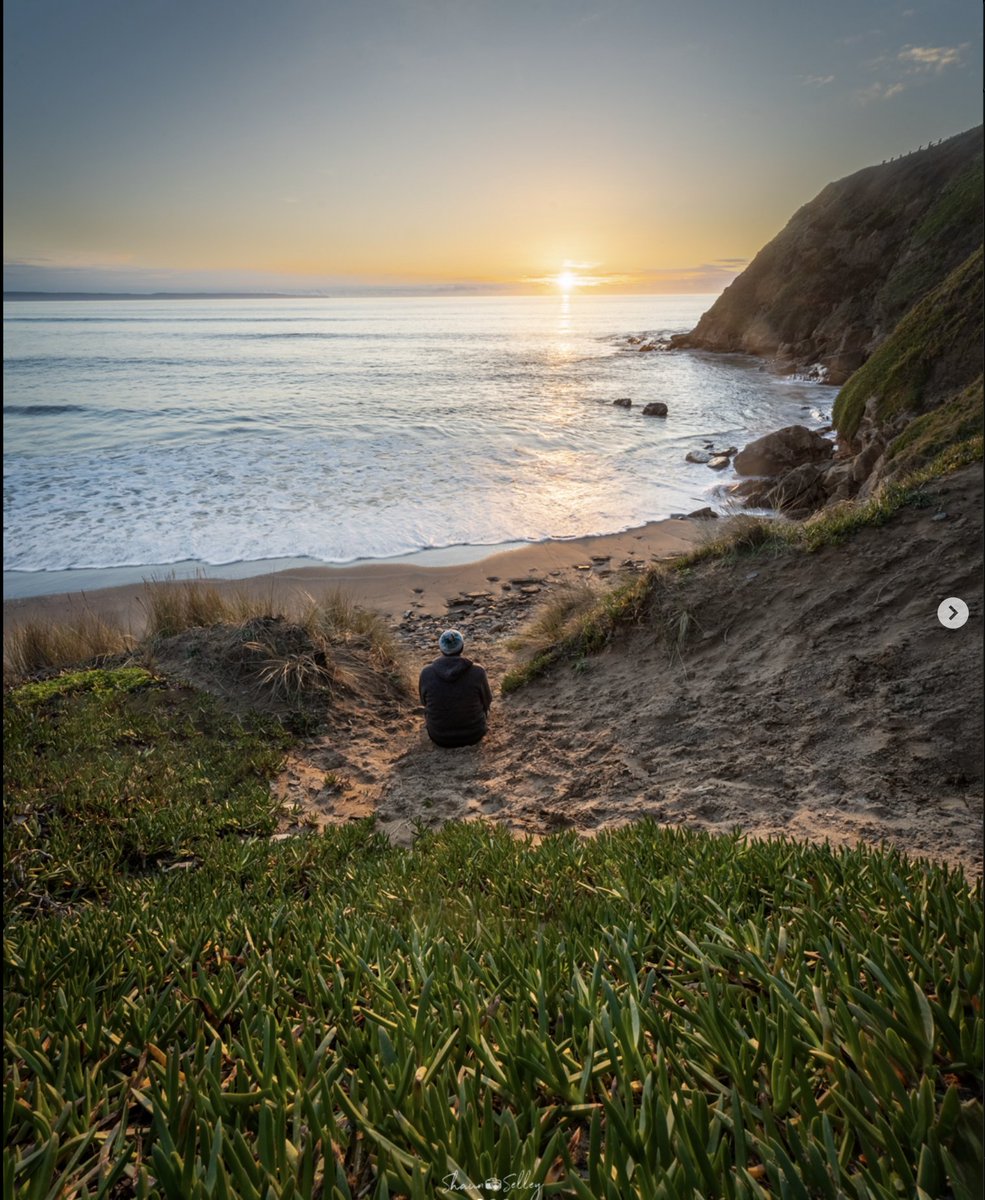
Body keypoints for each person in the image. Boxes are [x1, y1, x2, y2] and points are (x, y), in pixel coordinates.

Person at [418, 629, 492, 748]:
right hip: (474, 734)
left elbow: (424, 702)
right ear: (462, 647)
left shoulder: (426, 673)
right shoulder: (478, 671)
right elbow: (487, 701)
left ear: (441, 649)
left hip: (439, 737)